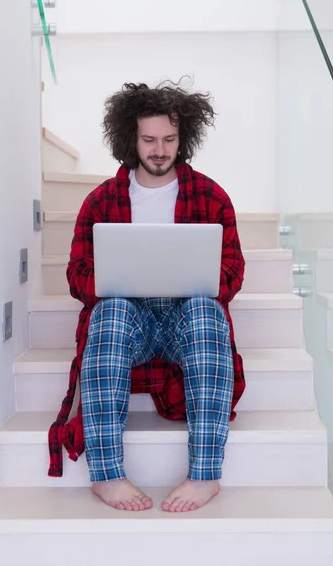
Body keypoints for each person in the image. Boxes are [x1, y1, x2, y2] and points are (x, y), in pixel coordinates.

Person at [48, 80, 246, 513]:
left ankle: (205, 475)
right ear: (131, 139)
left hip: (183, 324)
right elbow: (76, 274)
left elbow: (232, 271)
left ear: (183, 138)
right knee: (112, 311)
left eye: (169, 139)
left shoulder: (211, 197)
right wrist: (115, 281)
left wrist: (197, 282)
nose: (159, 149)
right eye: (149, 139)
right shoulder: (101, 200)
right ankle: (107, 475)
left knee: (205, 311)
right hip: (130, 324)